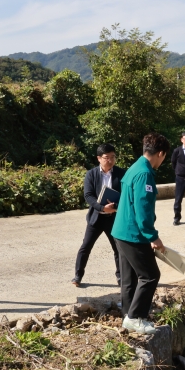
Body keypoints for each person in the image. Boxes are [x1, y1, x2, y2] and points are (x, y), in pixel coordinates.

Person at [112, 132, 171, 335]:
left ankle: (128, 317)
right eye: (164, 157)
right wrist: (152, 236)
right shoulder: (145, 173)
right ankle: (136, 317)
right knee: (150, 275)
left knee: (129, 278)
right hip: (132, 234)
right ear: (160, 153)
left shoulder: (135, 167)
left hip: (120, 232)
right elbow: (143, 209)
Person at [72, 144, 126, 287]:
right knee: (86, 247)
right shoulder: (91, 174)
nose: (110, 160)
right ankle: (78, 276)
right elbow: (88, 196)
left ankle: (121, 277)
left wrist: (114, 208)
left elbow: (126, 195)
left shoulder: (121, 174)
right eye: (106, 157)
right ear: (99, 158)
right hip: (96, 218)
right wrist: (102, 208)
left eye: (112, 157)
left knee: (118, 249)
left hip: (114, 218)